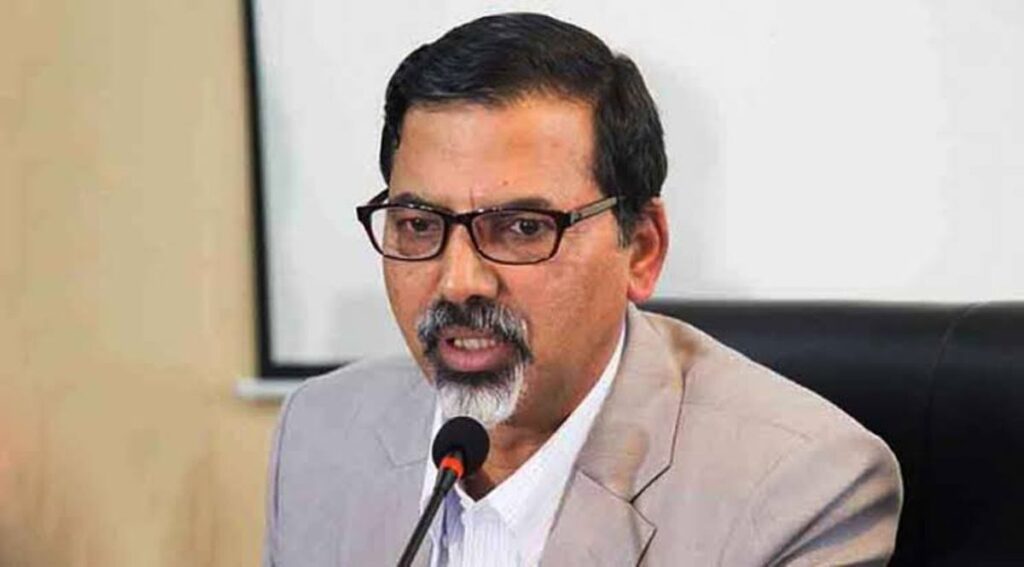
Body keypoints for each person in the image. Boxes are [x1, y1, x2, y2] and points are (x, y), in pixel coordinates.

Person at [264, 12, 902, 566]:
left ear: (641, 249)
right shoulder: (321, 432)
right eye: (419, 224)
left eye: (522, 228)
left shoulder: (796, 487)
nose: (458, 282)